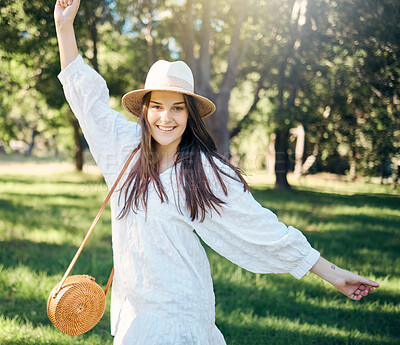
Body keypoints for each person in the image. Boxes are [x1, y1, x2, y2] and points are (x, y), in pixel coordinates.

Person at [54, 0, 379, 344]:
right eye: (158, 107)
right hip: (132, 311)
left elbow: (263, 229)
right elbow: (85, 98)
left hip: (180, 312)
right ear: (145, 109)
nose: (166, 118)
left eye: (177, 108)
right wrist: (64, 26)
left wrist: (332, 273)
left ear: (190, 113)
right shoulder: (124, 150)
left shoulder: (203, 172)